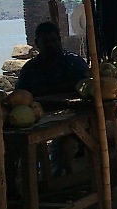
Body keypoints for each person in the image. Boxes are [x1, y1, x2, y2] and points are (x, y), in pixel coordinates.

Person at [7, 22, 88, 188]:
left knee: (60, 148)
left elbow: (85, 84)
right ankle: (6, 186)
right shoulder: (30, 69)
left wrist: (47, 90)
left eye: (53, 40)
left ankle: (50, 185)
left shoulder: (73, 62)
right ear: (37, 44)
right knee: (10, 146)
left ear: (59, 40)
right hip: (38, 118)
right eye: (45, 42)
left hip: (72, 115)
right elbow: (19, 95)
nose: (50, 45)